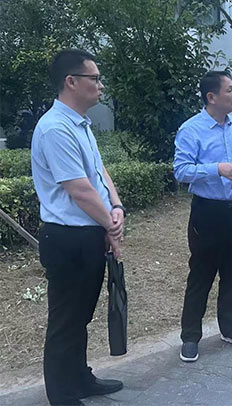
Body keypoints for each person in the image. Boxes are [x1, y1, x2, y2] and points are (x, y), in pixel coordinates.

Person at [31, 49, 125, 406]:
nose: (100, 85)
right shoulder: (55, 128)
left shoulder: (80, 124)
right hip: (67, 238)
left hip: (88, 234)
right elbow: (79, 189)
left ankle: (80, 379)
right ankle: (62, 395)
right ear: (71, 82)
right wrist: (111, 226)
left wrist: (116, 207)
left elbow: (99, 173)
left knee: (81, 316)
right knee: (65, 320)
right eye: (94, 79)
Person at [174, 70, 232, 363]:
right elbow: (181, 171)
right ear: (211, 97)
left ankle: (230, 327)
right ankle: (190, 337)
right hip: (207, 213)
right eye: (229, 90)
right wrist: (217, 169)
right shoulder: (191, 129)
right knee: (201, 274)